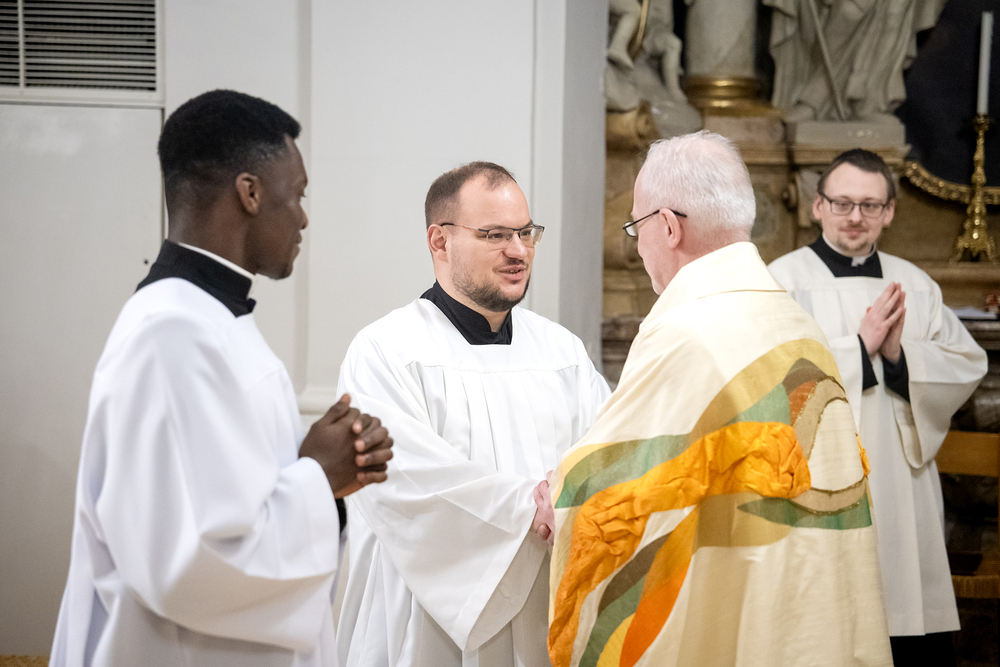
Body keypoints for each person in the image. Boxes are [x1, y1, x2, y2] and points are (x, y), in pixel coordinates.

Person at [49, 89, 394, 667]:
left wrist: (328, 466)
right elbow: (192, 559)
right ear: (250, 193)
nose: (303, 217)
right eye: (297, 194)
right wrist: (319, 477)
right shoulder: (170, 333)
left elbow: (230, 492)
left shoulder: (208, 319)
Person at [547, 132, 893, 667]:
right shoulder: (797, 323)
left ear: (668, 226)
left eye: (638, 227)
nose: (638, 246)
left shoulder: (687, 333)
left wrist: (557, 493)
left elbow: (623, 483)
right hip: (803, 609)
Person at [335, 162, 611, 667]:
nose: (518, 251)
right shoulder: (387, 350)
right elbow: (405, 482)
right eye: (495, 235)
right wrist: (529, 508)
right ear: (439, 241)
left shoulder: (562, 352)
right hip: (429, 627)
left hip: (548, 612)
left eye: (526, 233)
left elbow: (605, 452)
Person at [768, 148, 988, 665]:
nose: (855, 217)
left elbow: (967, 363)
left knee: (903, 609)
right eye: (842, 203)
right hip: (818, 477)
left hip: (901, 485)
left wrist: (898, 358)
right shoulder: (781, 280)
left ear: (889, 212)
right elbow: (767, 375)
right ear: (818, 206)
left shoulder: (915, 286)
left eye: (870, 205)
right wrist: (858, 349)